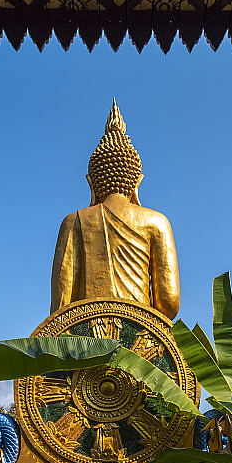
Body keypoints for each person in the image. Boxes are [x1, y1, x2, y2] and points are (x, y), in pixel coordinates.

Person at [51, 100, 180, 320]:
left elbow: (61, 307)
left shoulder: (74, 222)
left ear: (91, 183)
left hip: (86, 342)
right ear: (136, 182)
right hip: (140, 341)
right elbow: (168, 303)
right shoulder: (157, 222)